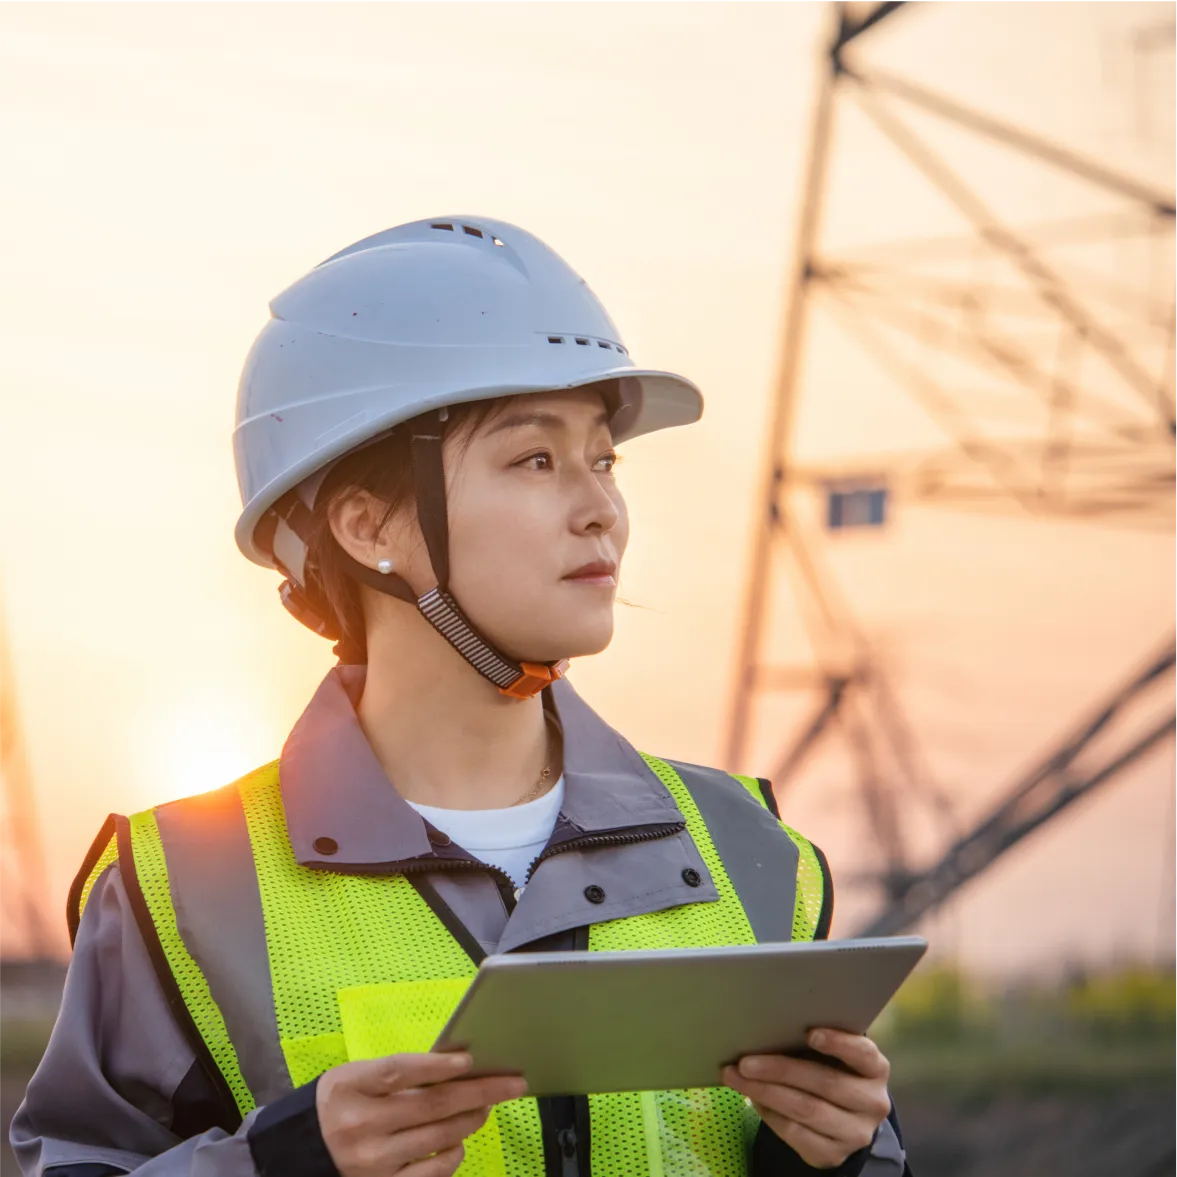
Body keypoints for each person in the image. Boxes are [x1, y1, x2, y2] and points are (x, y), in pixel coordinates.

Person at [12, 217, 910, 1177]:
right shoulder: (187, 889)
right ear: (365, 526)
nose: (600, 507)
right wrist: (282, 1163)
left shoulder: (751, 852)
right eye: (535, 459)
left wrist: (833, 1159)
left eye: (603, 459)